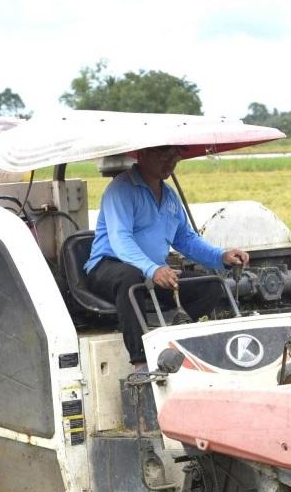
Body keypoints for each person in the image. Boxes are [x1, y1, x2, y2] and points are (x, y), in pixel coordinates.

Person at [84, 145, 250, 369]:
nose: (171, 161)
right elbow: (120, 239)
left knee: (210, 286)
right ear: (143, 154)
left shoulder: (170, 197)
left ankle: (172, 339)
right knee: (129, 278)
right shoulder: (121, 190)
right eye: (164, 155)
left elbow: (186, 239)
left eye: (175, 156)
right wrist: (153, 269)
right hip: (109, 266)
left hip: (151, 270)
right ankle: (141, 362)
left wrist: (221, 256)